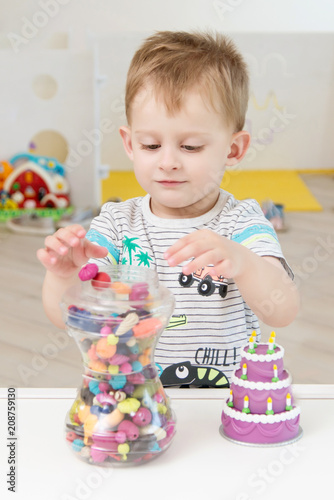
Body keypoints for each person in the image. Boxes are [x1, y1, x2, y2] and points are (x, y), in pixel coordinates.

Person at [37, 31, 299, 387]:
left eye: (190, 147)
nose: (168, 162)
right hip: (135, 404)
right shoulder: (115, 225)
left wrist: (243, 261)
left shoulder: (243, 223)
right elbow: (68, 316)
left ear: (234, 150)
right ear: (130, 144)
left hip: (222, 405)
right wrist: (63, 276)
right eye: (151, 144)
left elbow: (283, 311)